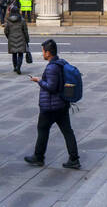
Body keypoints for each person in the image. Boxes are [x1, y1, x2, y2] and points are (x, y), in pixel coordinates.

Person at [24, 39, 81, 170]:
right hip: (61, 104)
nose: (42, 54)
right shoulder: (60, 63)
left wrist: (39, 80)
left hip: (50, 107)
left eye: (43, 51)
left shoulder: (52, 67)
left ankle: (38, 157)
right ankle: (74, 159)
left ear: (48, 52)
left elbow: (51, 87)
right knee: (67, 131)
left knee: (42, 129)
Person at [4, 8, 30, 74]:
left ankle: (15, 67)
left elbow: (6, 31)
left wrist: (9, 37)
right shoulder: (22, 20)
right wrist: (27, 39)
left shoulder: (8, 20)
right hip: (21, 38)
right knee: (20, 54)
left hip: (11, 38)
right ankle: (19, 67)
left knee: (14, 54)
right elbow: (25, 31)